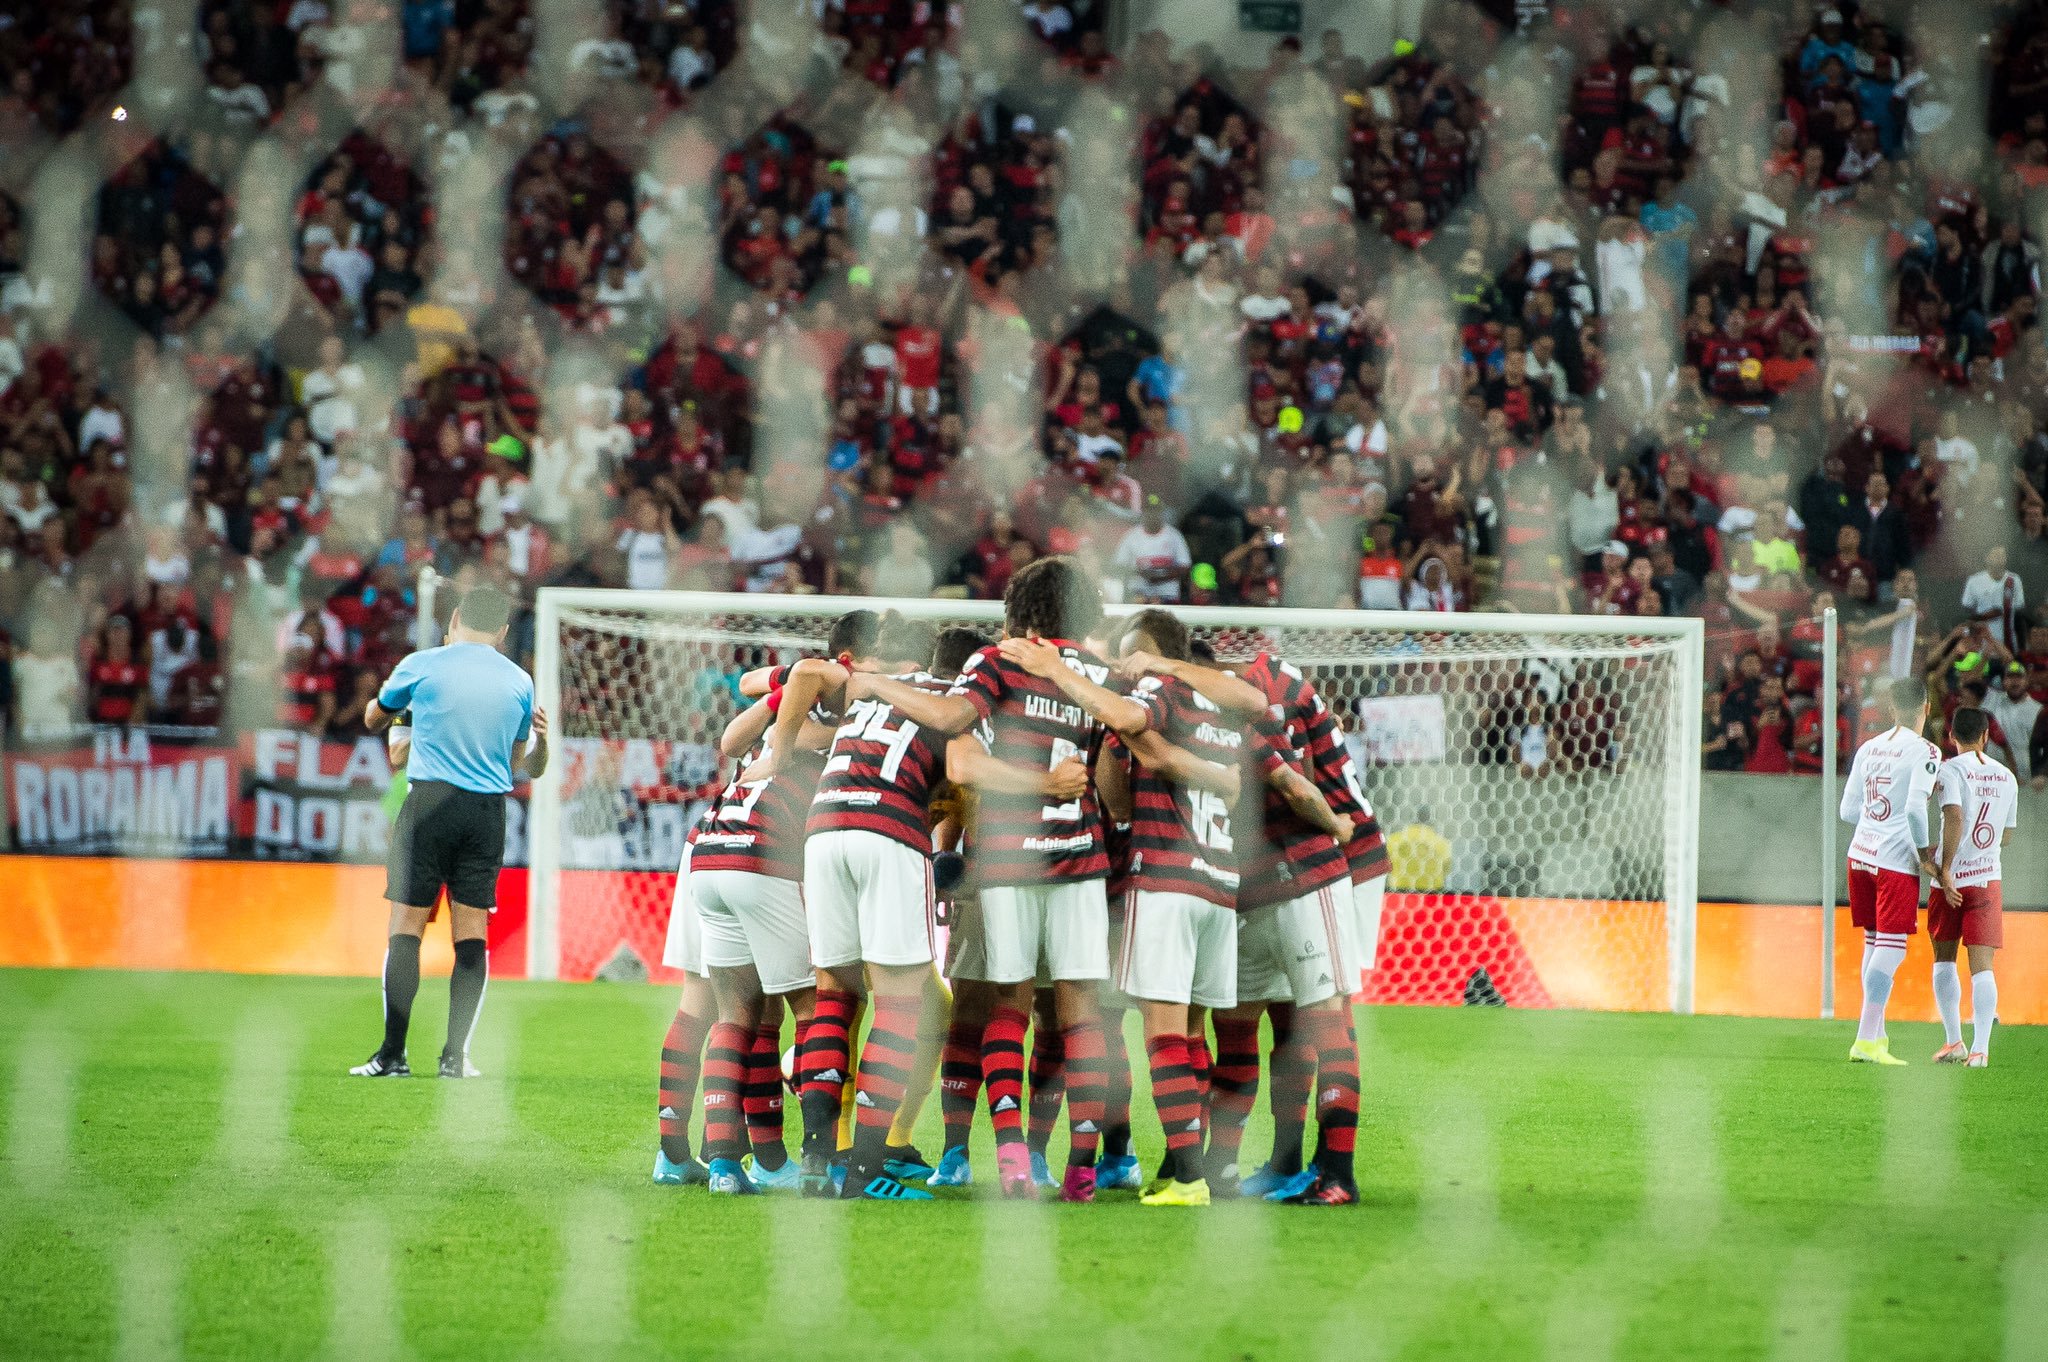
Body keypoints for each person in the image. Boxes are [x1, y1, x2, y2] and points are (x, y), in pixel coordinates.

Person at [845, 556, 1130, 1201]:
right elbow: (1119, 759)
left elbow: (961, 753)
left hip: (1005, 856)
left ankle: (1010, 1161)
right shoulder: (1101, 677)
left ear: (1020, 614)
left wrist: (879, 686)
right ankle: (1080, 1170)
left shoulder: (995, 662)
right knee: (1080, 1013)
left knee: (1009, 1006)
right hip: (1082, 856)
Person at [774, 612, 954, 1201]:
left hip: (823, 827)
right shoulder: (946, 695)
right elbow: (959, 778)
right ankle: (869, 1169)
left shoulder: (857, 692)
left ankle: (817, 1159)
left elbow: (800, 674)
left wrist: (778, 754)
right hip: (891, 829)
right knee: (902, 1006)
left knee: (834, 996)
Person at [351, 586, 547, 1079]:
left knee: (406, 928)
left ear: (455, 617)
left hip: (429, 805)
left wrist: (385, 709)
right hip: (485, 812)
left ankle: (392, 1055)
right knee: (472, 935)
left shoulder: (423, 664)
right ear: (503, 631)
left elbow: (375, 719)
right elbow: (521, 763)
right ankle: (454, 1058)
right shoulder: (521, 681)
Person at [1836, 675, 1940, 1066]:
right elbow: (1915, 808)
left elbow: (1847, 811)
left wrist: (1876, 821)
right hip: (1895, 859)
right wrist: (1925, 854)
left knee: (1873, 942)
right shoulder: (1927, 751)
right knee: (1892, 950)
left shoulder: (1868, 747)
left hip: (1859, 853)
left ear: (1892, 709)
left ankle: (1876, 1037)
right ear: (1926, 708)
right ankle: (1865, 1039)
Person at [1927, 707, 2017, 1068]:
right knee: (1982, 965)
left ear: (1951, 736)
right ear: (1984, 736)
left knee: (1943, 959)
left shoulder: (1948, 770)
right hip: (1986, 878)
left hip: (1949, 879)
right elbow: (2006, 835)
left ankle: (1954, 1042)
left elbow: (1954, 816)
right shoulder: (2007, 777)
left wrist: (1946, 870)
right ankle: (1980, 1049)